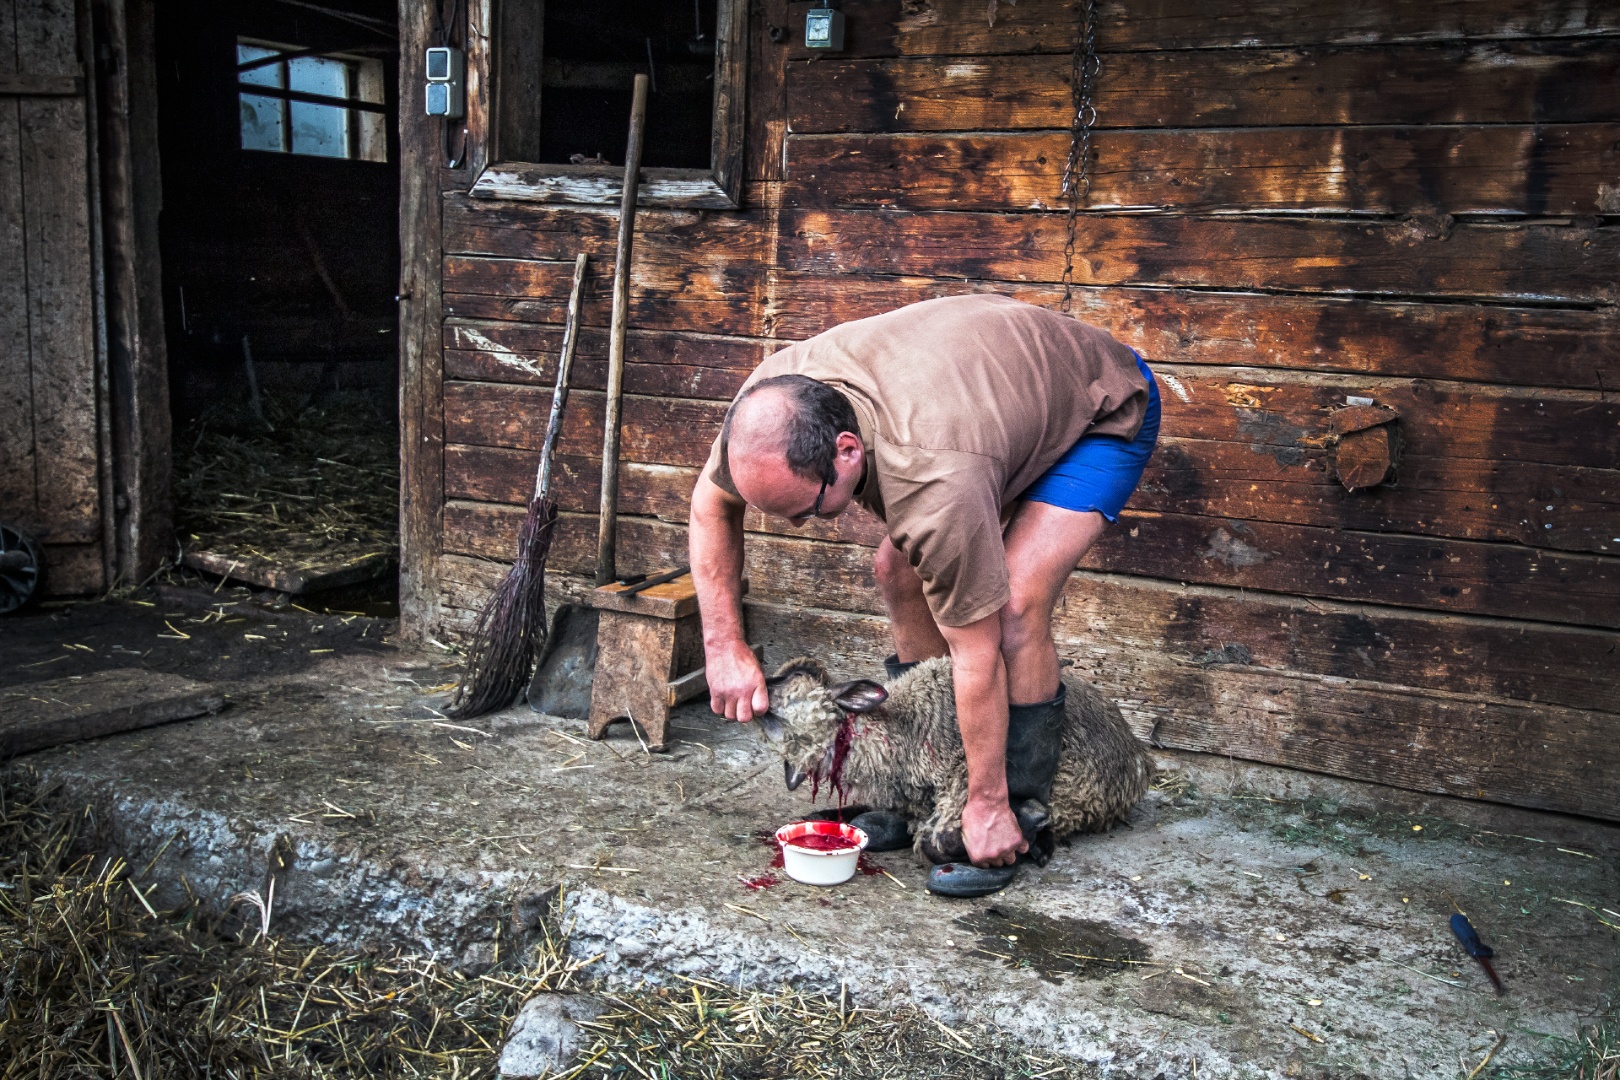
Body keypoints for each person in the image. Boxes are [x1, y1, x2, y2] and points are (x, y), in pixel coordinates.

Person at [688, 295, 1160, 896]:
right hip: (988, 403)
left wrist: (986, 799)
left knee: (1013, 607)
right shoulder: (767, 407)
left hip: (1099, 408)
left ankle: (1011, 809)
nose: (799, 526)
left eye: (806, 511)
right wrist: (723, 642)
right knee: (900, 570)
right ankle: (920, 779)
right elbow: (711, 503)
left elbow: (977, 657)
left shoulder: (936, 484)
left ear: (847, 452)